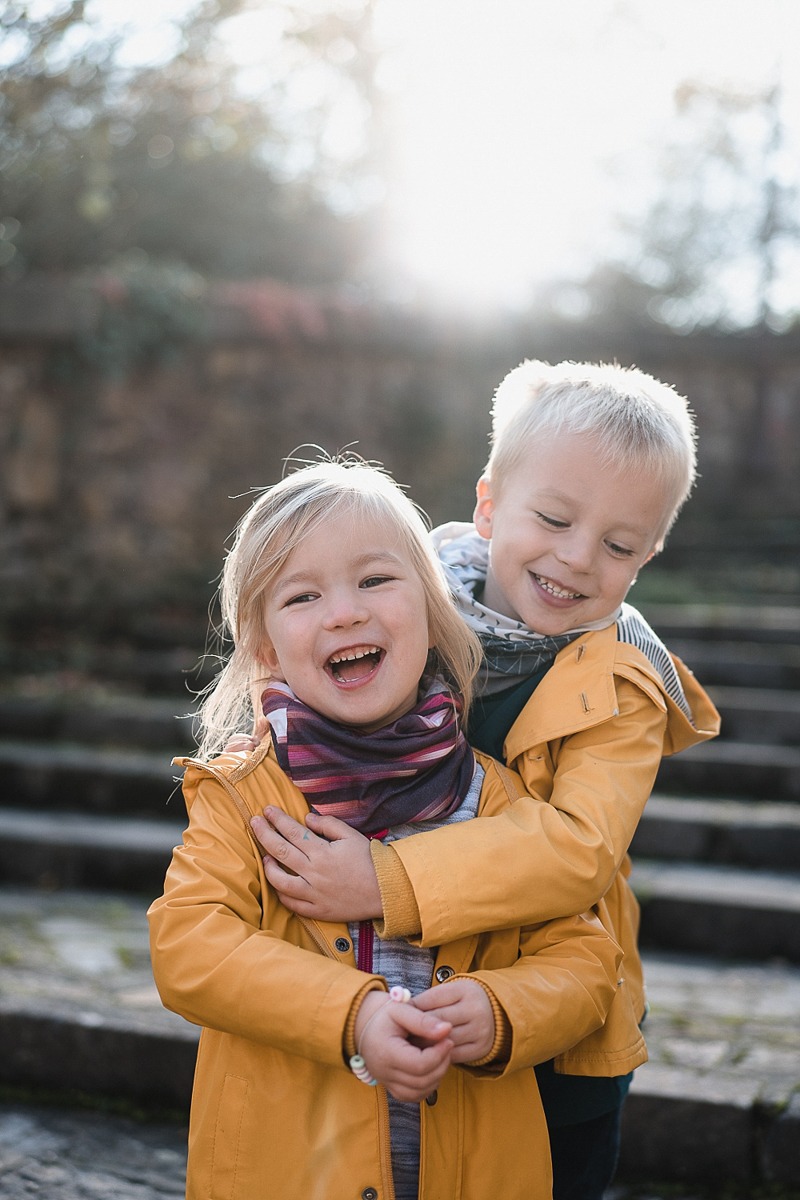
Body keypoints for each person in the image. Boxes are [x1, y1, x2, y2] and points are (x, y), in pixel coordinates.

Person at [248, 363, 722, 1200]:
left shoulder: (625, 685)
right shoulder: (407, 613)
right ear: (491, 504)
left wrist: (384, 880)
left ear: (648, 556)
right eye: (553, 518)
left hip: (546, 1013)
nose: (577, 558)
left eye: (618, 546)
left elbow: (576, 851)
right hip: (400, 996)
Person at [147, 456, 623, 1200]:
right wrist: (354, 1014)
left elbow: (587, 966)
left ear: (434, 613)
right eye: (302, 596)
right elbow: (188, 945)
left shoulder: (493, 797)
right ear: (266, 647)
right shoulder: (246, 795)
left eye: (374, 580)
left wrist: (504, 1012)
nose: (344, 613)